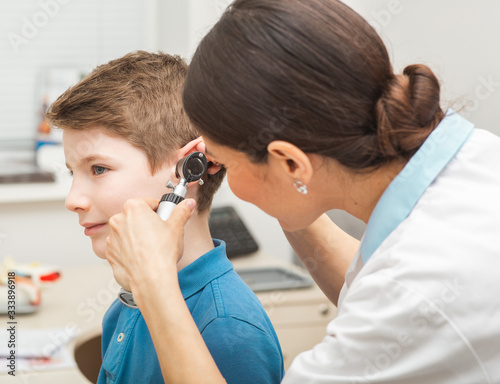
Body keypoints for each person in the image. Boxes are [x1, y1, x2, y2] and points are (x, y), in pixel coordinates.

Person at [104, 1, 500, 383]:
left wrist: (153, 281)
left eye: (229, 161)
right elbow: (364, 278)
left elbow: (397, 289)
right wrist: (282, 188)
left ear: (292, 163)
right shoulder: (476, 161)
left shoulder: (414, 288)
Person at [45, 51, 284, 384]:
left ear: (190, 167)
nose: (73, 200)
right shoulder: (129, 302)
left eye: (99, 169)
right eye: (73, 173)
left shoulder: (227, 331)